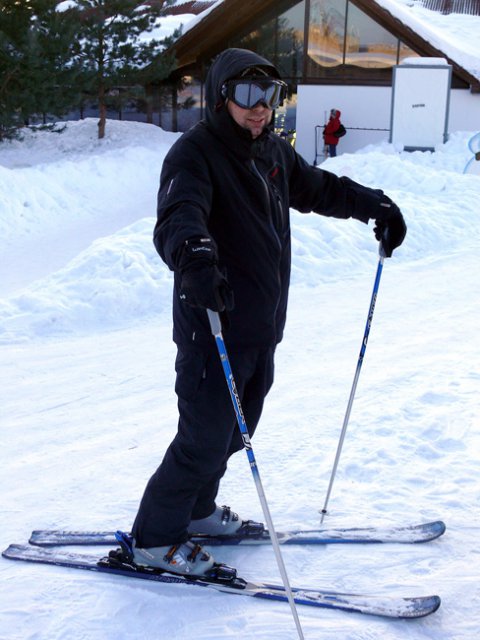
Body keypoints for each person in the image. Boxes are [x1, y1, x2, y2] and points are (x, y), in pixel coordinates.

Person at [130, 48, 406, 577]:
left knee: (236, 431)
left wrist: (374, 204)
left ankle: (198, 510)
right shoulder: (194, 154)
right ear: (221, 98)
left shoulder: (272, 152)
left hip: (259, 326)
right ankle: (155, 539)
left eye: (270, 96)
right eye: (248, 94)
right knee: (203, 438)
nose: (260, 108)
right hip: (213, 325)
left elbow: (320, 189)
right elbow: (178, 215)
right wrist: (195, 256)